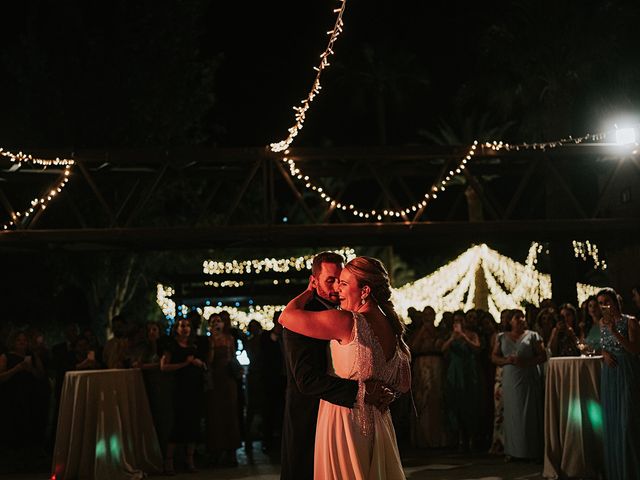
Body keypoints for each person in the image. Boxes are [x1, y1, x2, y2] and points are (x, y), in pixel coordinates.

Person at [279, 255, 410, 479]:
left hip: (344, 422)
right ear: (314, 280)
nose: (338, 289)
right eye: (332, 281)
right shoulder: (392, 325)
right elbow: (404, 383)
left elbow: (285, 316)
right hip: (375, 423)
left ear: (365, 290)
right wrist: (386, 393)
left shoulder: (347, 319)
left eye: (343, 282)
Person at [491, 309, 546, 462]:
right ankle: (512, 450)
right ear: (510, 321)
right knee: (512, 413)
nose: (521, 319)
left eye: (523, 316)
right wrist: (506, 361)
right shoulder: (501, 337)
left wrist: (526, 363)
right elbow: (494, 357)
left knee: (528, 413)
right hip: (510, 379)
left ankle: (531, 450)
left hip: (528, 378)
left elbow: (543, 356)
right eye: (517, 317)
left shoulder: (533, 336)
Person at [597, 287, 640, 480]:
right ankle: (616, 472)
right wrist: (604, 353)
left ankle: (631, 471)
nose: (604, 305)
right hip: (610, 375)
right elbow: (604, 347)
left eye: (607, 301)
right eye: (600, 302)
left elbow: (634, 350)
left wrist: (615, 332)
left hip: (626, 372)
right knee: (612, 421)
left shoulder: (630, 322)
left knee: (627, 423)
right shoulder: (601, 323)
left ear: (616, 301)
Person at [160, 317, 207, 475]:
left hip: (194, 389)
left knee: (193, 424)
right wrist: (185, 364)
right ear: (176, 328)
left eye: (188, 325)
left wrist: (199, 363)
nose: (185, 328)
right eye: (182, 326)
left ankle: (190, 460)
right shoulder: (171, 345)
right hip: (179, 389)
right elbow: (164, 367)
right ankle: (169, 462)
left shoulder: (194, 345)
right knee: (178, 425)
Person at [441, 310, 482, 452]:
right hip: (455, 372)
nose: (458, 323)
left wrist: (464, 337)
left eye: (460, 320)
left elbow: (477, 349)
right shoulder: (451, 336)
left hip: (468, 372)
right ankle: (459, 439)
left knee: (470, 405)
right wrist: (453, 338)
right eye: (455, 321)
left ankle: (471, 438)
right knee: (455, 404)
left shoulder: (471, 334)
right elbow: (442, 350)